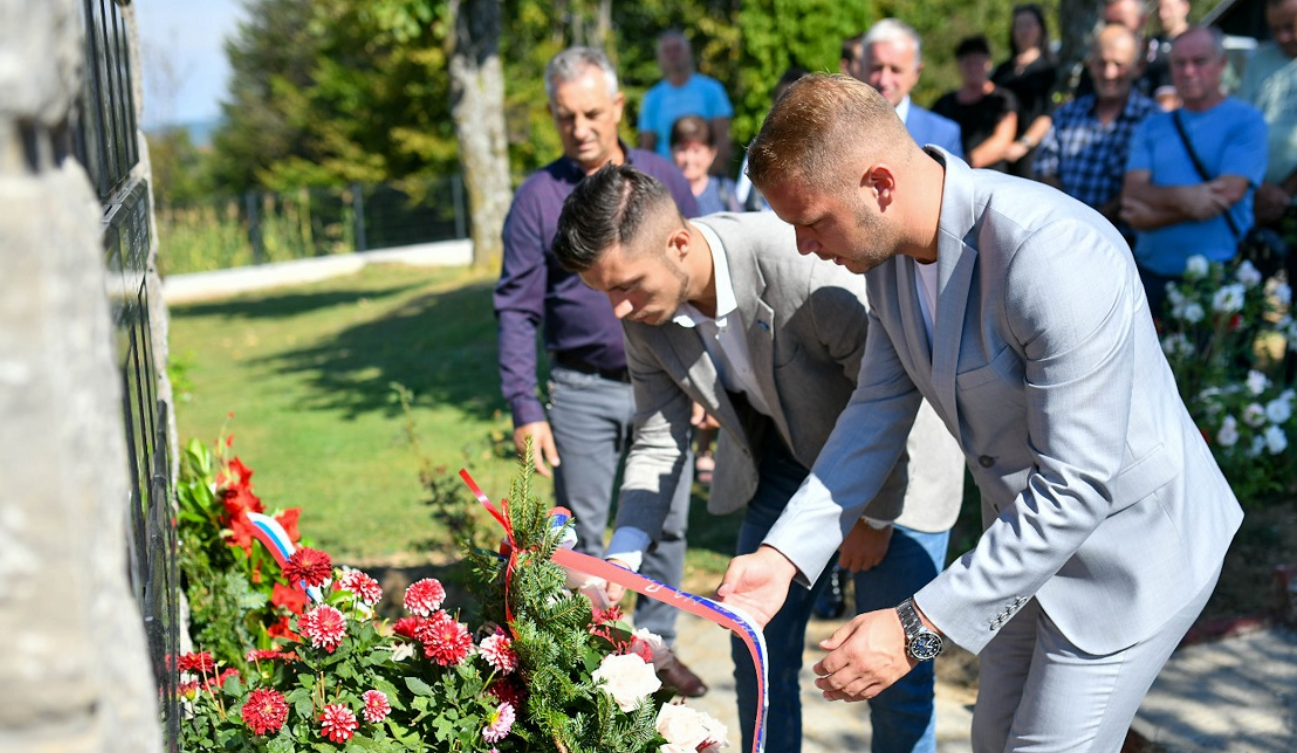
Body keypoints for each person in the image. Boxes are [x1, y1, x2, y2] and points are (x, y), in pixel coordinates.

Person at [718, 73, 1244, 753]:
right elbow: (875, 409)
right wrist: (782, 556)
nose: (803, 247)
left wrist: (915, 626)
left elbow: (1076, 484)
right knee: (992, 739)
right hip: (1018, 548)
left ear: (878, 185)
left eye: (811, 220)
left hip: (1129, 553)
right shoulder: (885, 258)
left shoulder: (1049, 254)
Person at [552, 163, 965, 753]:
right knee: (755, 647)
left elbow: (892, 397)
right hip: (788, 457)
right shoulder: (645, 313)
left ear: (678, 243)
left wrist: (872, 518)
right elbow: (658, 437)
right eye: (606, 291)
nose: (616, 309)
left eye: (627, 286)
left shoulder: (803, 267)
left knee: (901, 670)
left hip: (906, 474)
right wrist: (624, 556)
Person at [492, 46, 707, 697]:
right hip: (583, 387)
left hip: (666, 382)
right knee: (586, 535)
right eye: (564, 117)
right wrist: (524, 406)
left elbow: (697, 276)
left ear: (617, 106)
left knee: (665, 523)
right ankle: (602, 662)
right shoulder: (537, 198)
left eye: (590, 112)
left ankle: (657, 650)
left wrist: (707, 379)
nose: (579, 128)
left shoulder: (662, 176)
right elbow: (515, 306)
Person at [1120, 26, 1268, 315]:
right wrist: (1185, 197)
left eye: (1199, 61)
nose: (1188, 72)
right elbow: (1133, 191)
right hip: (1148, 274)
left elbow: (1228, 193)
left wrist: (1152, 219)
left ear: (1222, 64)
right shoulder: (1152, 125)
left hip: (1215, 278)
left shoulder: (1247, 121)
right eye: (1179, 63)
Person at [1034, 23, 1158, 244]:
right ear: (1090, 66)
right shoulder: (1068, 114)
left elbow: (1147, 186)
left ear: (1137, 67)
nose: (1109, 73)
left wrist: (1092, 221)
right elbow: (1045, 169)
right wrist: (1070, 218)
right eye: (1101, 63)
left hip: (1125, 245)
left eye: (1119, 64)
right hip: (1064, 237)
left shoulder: (1153, 119)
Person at [1236, 0, 1297, 288]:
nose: (1282, 37)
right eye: (1276, 29)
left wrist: (1285, 192)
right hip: (1259, 201)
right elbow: (1241, 127)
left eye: (1290, 26)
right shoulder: (1259, 60)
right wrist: (1258, 186)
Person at [844, 19, 965, 159]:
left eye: (895, 70)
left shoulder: (942, 135)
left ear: (916, 73)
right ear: (861, 68)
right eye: (876, 68)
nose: (884, 80)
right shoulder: (837, 126)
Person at [638, 30, 734, 171]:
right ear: (660, 57)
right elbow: (647, 148)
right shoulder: (652, 98)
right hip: (665, 181)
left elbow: (723, 140)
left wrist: (706, 184)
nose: (673, 55)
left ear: (688, 52)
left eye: (677, 49)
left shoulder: (712, 90)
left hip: (705, 178)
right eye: (667, 51)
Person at [933, 36, 1020, 171]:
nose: (973, 68)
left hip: (991, 177)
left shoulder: (1002, 100)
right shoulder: (944, 104)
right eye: (968, 63)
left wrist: (963, 165)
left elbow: (1002, 141)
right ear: (959, 65)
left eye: (978, 62)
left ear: (988, 63)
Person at [992, 4, 1058, 177]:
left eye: (1029, 25)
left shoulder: (1050, 69)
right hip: (1000, 151)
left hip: (1033, 152)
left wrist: (1024, 144)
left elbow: (1048, 113)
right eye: (1019, 25)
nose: (1024, 31)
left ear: (1041, 29)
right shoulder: (1002, 70)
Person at [1077, 0, 1176, 109]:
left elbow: (1167, 107)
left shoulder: (1163, 60)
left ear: (1143, 19)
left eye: (1120, 23)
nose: (1109, 73)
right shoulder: (1095, 66)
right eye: (1108, 23)